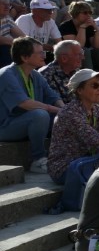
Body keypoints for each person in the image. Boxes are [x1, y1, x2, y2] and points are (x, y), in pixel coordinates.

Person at [0, 37, 63, 173]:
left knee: (61, 115)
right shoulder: (6, 75)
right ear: (24, 57)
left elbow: (52, 96)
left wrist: (66, 110)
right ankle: (38, 160)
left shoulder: (35, 74)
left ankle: (65, 154)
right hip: (5, 126)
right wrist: (57, 110)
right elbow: (25, 103)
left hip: (24, 122)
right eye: (39, 53)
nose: (44, 55)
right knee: (40, 114)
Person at [47, 69, 99, 186]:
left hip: (88, 162)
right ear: (79, 90)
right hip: (66, 168)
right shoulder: (70, 112)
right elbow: (95, 141)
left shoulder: (97, 109)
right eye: (95, 85)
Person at [59, 1, 99, 77]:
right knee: (84, 50)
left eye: (90, 13)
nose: (88, 15)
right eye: (85, 13)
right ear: (75, 13)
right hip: (70, 56)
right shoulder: (66, 26)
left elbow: (97, 46)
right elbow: (78, 46)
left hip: (86, 57)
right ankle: (89, 78)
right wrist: (82, 27)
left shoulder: (89, 26)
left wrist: (97, 29)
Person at [39, 40, 84, 104]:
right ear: (64, 58)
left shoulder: (77, 72)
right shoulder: (47, 74)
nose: (82, 57)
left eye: (82, 54)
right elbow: (55, 102)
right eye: (78, 55)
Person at [0, 0, 26, 66]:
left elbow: (22, 36)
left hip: (7, 48)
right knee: (6, 49)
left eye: (8, 4)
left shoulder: (6, 18)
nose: (7, 7)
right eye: (3, 4)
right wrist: (17, 43)